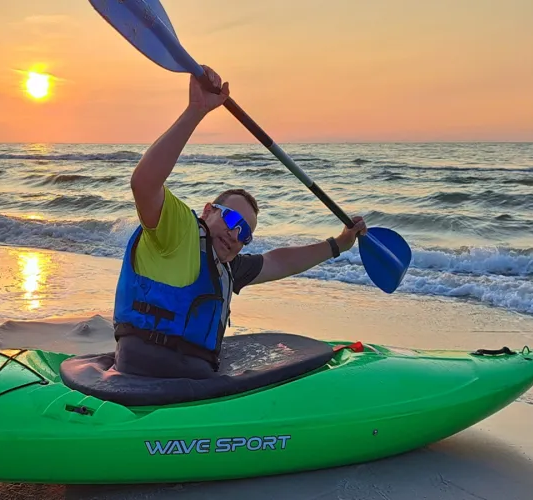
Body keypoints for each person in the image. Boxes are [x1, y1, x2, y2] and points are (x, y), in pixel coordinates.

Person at [112, 66, 367, 379]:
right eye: (231, 218)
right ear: (208, 211)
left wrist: (339, 244)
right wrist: (195, 111)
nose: (234, 233)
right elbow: (144, 183)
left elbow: (279, 261)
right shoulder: (178, 232)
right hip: (147, 376)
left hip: (194, 378)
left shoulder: (226, 267)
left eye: (244, 233)